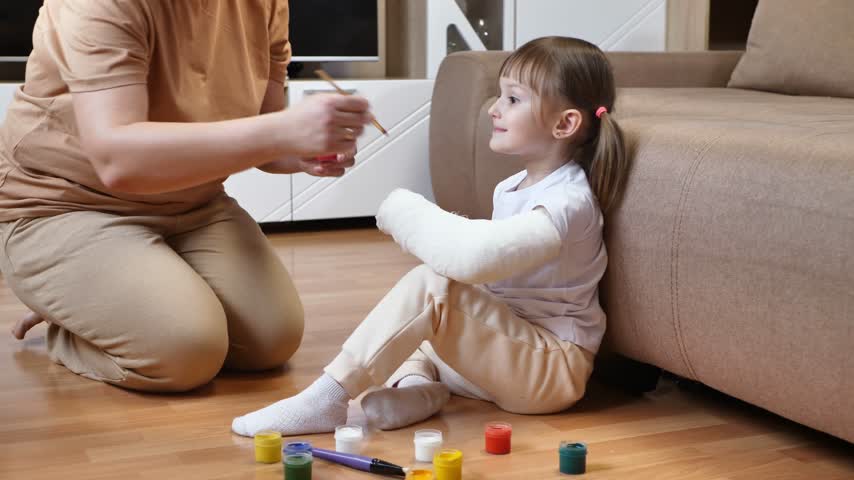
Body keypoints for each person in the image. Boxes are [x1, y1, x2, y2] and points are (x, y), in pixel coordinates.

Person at [231, 36, 631, 437]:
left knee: (433, 288)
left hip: (549, 370)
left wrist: (401, 210)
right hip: (508, 351)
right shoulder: (510, 188)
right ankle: (417, 390)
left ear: (565, 124)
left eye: (512, 99)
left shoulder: (567, 201)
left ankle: (327, 398)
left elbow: (476, 258)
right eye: (499, 95)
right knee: (409, 329)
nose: (493, 108)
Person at [0, 0, 373, 392]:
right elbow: (118, 162)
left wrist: (305, 149)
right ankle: (73, 318)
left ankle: (101, 304)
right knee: (187, 351)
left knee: (271, 339)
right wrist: (283, 130)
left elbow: (266, 136)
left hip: (195, 202)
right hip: (64, 203)